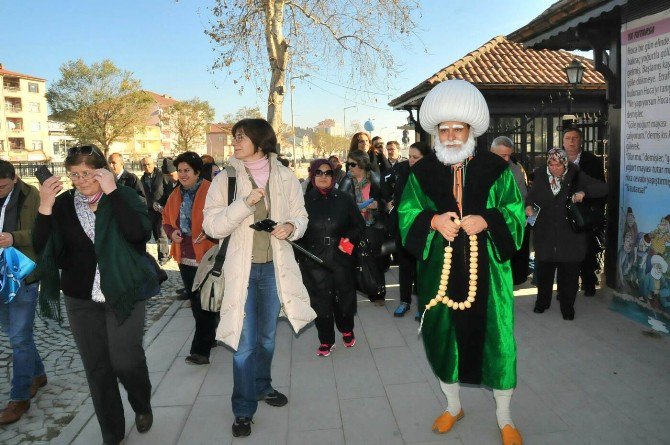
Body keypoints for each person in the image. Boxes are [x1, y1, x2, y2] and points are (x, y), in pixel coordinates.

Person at [398, 79, 525, 445]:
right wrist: (432, 222)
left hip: (488, 273)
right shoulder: (420, 172)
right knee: (442, 339)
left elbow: (515, 214)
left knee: (498, 343)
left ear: (472, 131)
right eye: (444, 129)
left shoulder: (496, 169)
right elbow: (407, 214)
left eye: (458, 128)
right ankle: (453, 406)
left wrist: (488, 220)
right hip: (438, 271)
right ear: (436, 132)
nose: (451, 135)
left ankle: (504, 416)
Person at [33, 145, 156, 445]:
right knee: (98, 369)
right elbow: (44, 249)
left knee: (125, 361)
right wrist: (45, 205)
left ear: (101, 170)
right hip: (80, 297)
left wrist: (113, 193)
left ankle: (141, 403)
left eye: (87, 173)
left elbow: (140, 234)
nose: (81, 180)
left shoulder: (123, 196)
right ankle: (112, 434)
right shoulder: (62, 205)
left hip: (123, 291)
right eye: (74, 174)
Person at [202, 118, 315, 437]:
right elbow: (211, 227)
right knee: (244, 343)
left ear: (261, 141)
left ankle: (263, 386)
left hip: (275, 271)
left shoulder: (284, 175)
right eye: (235, 137)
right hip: (242, 272)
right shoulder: (226, 179)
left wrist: (291, 227)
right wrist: (244, 204)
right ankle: (242, 408)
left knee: (266, 338)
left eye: (241, 137)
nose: (235, 142)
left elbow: (300, 215)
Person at [526, 148, 608, 320]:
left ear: (565, 163)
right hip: (546, 234)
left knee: (569, 276)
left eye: (558, 165)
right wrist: (528, 206)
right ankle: (542, 303)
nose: (554, 168)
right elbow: (531, 197)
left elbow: (603, 188)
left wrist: (584, 193)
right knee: (544, 274)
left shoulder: (576, 176)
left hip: (570, 236)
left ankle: (567, 307)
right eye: (551, 164)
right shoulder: (540, 175)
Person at [298, 159, 365, 356]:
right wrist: (301, 254)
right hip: (313, 260)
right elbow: (295, 230)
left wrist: (347, 239)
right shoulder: (303, 201)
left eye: (327, 173)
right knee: (320, 302)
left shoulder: (344, 199)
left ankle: (346, 328)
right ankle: (326, 340)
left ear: (333, 176)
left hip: (341, 258)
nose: (323, 176)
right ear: (312, 175)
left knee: (344, 299)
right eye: (318, 173)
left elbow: (359, 226)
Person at [0, 161, 46, 425]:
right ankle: (37, 374)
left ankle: (19, 398)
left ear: (14, 179)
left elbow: (43, 233)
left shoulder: (32, 196)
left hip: (22, 273)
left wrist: (13, 238)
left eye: (3, 187)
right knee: (15, 333)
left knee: (18, 338)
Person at [162, 152, 218, 365]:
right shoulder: (175, 194)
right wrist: (171, 232)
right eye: (180, 171)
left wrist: (211, 231)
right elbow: (166, 218)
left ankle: (200, 350)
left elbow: (222, 218)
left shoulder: (211, 191)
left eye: (187, 170)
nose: (183, 174)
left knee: (204, 303)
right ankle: (210, 336)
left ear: (197, 172)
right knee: (197, 301)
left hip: (207, 255)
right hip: (184, 257)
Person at [389, 141, 431, 319]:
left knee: (422, 266)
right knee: (405, 265)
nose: (412, 160)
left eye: (416, 157)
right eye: (410, 156)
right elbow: (387, 187)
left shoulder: (433, 174)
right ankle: (404, 301)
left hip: (423, 226)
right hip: (402, 225)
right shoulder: (401, 170)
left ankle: (424, 305)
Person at [340, 149, 387, 305]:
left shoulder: (376, 180)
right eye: (348, 164)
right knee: (347, 258)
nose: (349, 167)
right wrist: (353, 208)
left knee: (373, 259)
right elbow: (339, 202)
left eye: (353, 164)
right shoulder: (346, 181)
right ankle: (350, 292)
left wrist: (377, 204)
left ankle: (378, 293)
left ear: (362, 164)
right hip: (351, 226)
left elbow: (387, 202)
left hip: (373, 225)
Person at [562, 127, 606, 296]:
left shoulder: (592, 161)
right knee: (565, 252)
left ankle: (588, 285)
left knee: (586, 250)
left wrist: (590, 203)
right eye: (568, 138)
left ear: (580, 141)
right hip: (562, 213)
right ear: (563, 141)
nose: (571, 141)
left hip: (584, 213)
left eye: (575, 138)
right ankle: (566, 289)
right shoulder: (557, 159)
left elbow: (601, 187)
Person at [491, 136, 530, 285]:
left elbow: (522, 197)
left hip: (506, 223)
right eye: (502, 156)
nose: (506, 159)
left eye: (509, 155)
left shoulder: (515, 171)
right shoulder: (477, 169)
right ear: (492, 152)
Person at [140, 157, 170, 265]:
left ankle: (164, 257)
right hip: (150, 210)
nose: (147, 167)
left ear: (153, 164)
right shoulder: (143, 179)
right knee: (154, 233)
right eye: (144, 165)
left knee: (162, 233)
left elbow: (168, 191)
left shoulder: (161, 175)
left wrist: (165, 206)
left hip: (162, 209)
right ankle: (158, 255)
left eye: (148, 164)